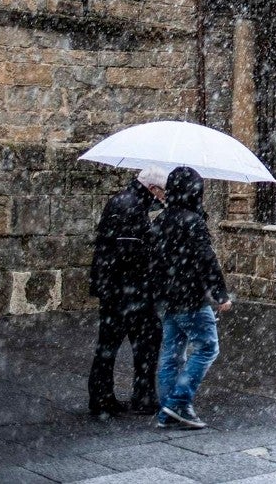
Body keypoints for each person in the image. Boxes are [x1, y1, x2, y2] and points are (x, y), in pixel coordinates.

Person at [151, 165, 232, 429]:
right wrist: (220, 295)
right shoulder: (193, 221)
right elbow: (206, 260)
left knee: (172, 353)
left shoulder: (162, 219)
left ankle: (169, 409)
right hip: (190, 298)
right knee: (208, 347)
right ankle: (176, 404)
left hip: (168, 297)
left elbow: (155, 261)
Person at [87, 166, 167, 418]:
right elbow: (131, 253)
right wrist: (155, 239)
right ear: (153, 189)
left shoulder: (125, 202)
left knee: (110, 344)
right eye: (163, 192)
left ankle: (103, 397)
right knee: (145, 341)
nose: (165, 197)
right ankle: (138, 396)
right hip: (129, 290)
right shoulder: (132, 207)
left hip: (116, 288)